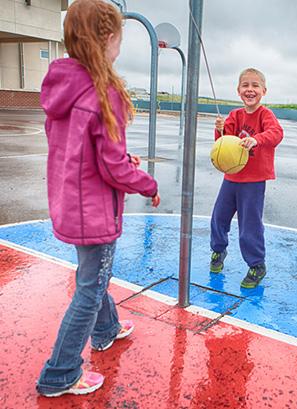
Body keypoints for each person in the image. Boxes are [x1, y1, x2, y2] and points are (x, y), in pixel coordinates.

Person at [36, 0, 159, 397]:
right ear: (108, 38)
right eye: (119, 36)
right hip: (93, 211)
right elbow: (111, 169)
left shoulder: (62, 82)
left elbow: (80, 149)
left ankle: (106, 330)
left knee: (93, 276)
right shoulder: (105, 92)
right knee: (91, 286)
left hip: (69, 203)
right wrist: (147, 184)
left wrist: (120, 157)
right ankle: (60, 372)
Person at [210, 68, 283, 288]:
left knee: (249, 225)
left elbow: (276, 133)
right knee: (218, 218)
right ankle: (218, 251)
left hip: (253, 181)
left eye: (255, 85)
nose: (250, 89)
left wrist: (256, 140)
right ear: (238, 90)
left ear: (264, 90)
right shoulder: (234, 116)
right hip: (231, 178)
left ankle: (256, 265)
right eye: (245, 85)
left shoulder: (265, 115)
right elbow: (224, 142)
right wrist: (219, 131)